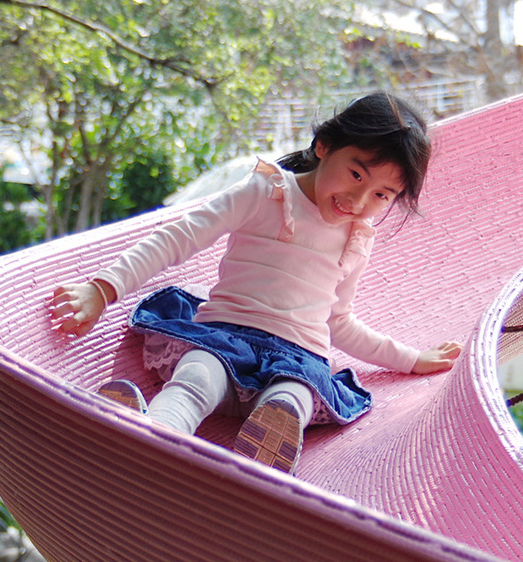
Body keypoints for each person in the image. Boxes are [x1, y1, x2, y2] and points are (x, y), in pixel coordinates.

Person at [49, 92, 462, 474]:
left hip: (298, 360)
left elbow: (339, 321)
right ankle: (152, 436)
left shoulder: (357, 237)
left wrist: (410, 359)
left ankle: (260, 471)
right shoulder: (266, 192)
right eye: (356, 174)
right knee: (197, 374)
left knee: (293, 399)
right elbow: (180, 237)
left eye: (382, 196)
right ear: (324, 146)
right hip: (224, 339)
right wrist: (102, 289)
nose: (359, 201)